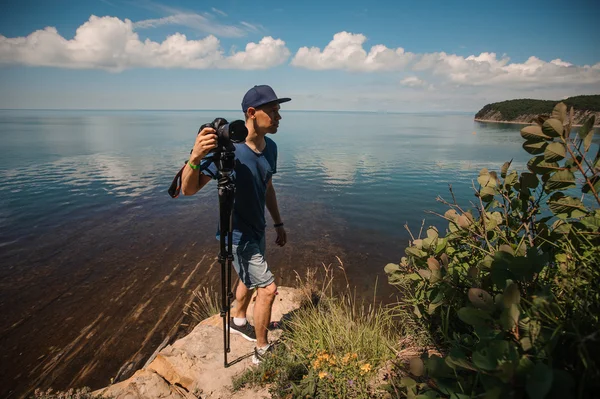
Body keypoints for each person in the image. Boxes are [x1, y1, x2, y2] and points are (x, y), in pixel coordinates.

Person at [180, 85, 290, 364]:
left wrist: (277, 223)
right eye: (273, 111)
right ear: (252, 113)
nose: (279, 117)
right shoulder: (228, 151)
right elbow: (188, 190)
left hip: (258, 228)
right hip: (237, 235)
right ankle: (263, 351)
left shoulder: (271, 148)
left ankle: (239, 320)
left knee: (247, 278)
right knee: (267, 289)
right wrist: (194, 158)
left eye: (279, 111)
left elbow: (267, 188)